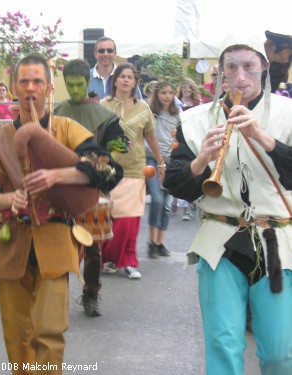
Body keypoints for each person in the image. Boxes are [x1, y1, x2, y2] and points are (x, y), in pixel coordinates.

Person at [0, 55, 122, 374]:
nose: (30, 88)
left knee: (49, 332)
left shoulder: (68, 129)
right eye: (24, 81)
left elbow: (108, 171)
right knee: (16, 336)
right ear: (14, 88)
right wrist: (6, 199)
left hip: (55, 240)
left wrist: (59, 176)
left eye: (37, 82)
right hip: (11, 244)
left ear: (50, 88)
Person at [164, 33, 292, 375]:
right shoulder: (195, 119)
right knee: (223, 344)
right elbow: (174, 182)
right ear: (221, 73)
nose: (240, 78)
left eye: (249, 67)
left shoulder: (288, 113)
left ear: (263, 67)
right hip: (219, 241)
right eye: (231, 68)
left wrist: (264, 139)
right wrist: (200, 160)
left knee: (281, 352)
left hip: (275, 241)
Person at [54, 58, 127, 317]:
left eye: (79, 85)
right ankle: (55, 295)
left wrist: (104, 163)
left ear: (88, 82)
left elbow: (120, 146)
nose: (74, 90)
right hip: (60, 186)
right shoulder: (56, 112)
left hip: (92, 186)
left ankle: (91, 294)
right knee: (58, 243)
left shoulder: (105, 116)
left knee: (93, 247)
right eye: (70, 85)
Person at [100, 63, 163, 279]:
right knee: (110, 219)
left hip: (136, 169)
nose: (126, 80)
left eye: (130, 77)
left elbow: (150, 136)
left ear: (135, 82)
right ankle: (108, 258)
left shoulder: (143, 107)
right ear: (115, 80)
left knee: (130, 219)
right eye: (122, 76)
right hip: (109, 170)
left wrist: (161, 162)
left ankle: (128, 261)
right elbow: (96, 137)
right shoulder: (103, 105)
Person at [145, 81, 180, 258]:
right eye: (163, 92)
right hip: (151, 159)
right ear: (157, 94)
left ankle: (160, 242)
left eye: (170, 92)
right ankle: (151, 241)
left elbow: (181, 138)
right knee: (157, 200)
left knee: (166, 204)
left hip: (171, 162)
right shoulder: (150, 112)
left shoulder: (177, 114)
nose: (167, 96)